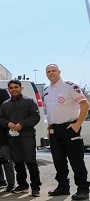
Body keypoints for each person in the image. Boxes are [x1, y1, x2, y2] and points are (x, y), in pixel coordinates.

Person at [43, 64, 90, 200]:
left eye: (53, 71)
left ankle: (83, 189)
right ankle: (63, 187)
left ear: (59, 72)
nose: (51, 73)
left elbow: (85, 105)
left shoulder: (69, 86)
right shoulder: (46, 90)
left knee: (76, 161)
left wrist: (77, 124)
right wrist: (49, 129)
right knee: (59, 161)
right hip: (54, 130)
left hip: (70, 128)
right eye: (48, 71)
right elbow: (51, 111)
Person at [0, 79, 41, 197]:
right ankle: (22, 185)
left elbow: (36, 117)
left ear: (21, 88)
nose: (13, 90)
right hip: (12, 138)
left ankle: (35, 187)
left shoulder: (29, 101)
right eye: (11, 88)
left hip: (27, 137)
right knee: (18, 162)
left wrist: (22, 124)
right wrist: (8, 124)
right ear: (8, 90)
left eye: (16, 87)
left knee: (31, 162)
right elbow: (0, 118)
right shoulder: (5, 104)